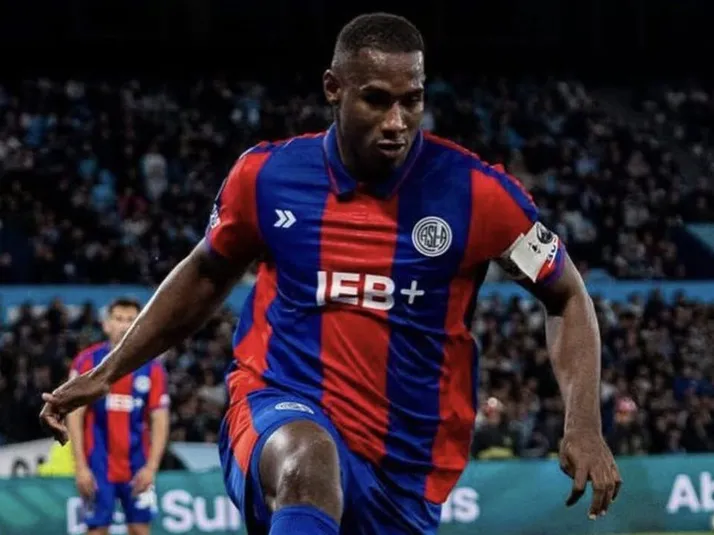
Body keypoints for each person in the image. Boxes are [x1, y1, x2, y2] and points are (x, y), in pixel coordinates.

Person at [40, 12, 621, 535]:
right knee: (308, 462)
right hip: (279, 402)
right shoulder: (267, 177)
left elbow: (566, 296)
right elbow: (206, 274)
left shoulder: (477, 194)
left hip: (406, 462)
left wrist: (584, 423)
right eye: (376, 100)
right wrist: (108, 372)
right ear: (333, 89)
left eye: (412, 100)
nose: (397, 122)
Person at [65, 298, 170, 535]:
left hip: (137, 464)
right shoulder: (87, 361)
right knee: (96, 529)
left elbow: (160, 419)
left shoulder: (152, 367)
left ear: (140, 325)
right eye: (119, 319)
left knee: (140, 529)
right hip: (97, 464)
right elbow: (75, 415)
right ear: (106, 324)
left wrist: (151, 467)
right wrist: (80, 466)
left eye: (131, 320)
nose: (124, 325)